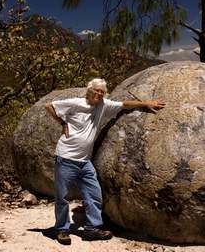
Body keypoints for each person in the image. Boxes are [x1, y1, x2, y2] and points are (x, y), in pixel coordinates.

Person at [45, 78, 165, 245]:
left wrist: (145, 103)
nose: (99, 94)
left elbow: (124, 104)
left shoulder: (103, 105)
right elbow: (49, 106)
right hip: (66, 158)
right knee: (62, 197)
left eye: (102, 91)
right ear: (89, 90)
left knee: (94, 194)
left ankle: (92, 229)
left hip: (85, 161)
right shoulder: (76, 103)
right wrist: (62, 123)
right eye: (96, 90)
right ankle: (62, 230)